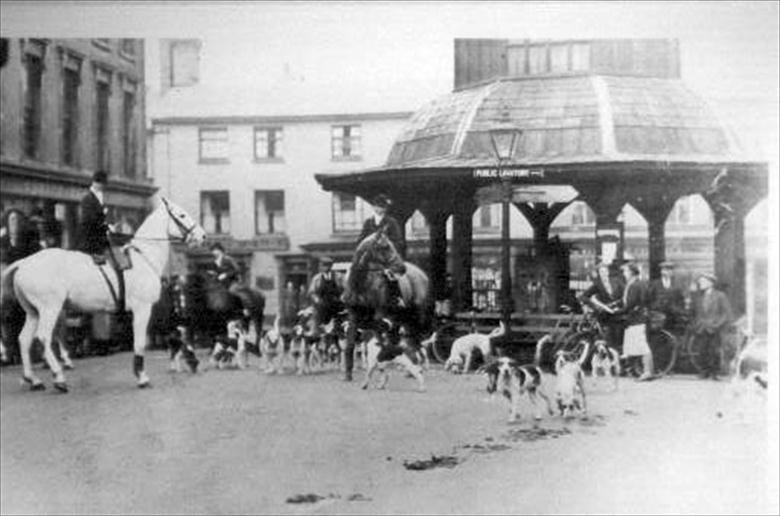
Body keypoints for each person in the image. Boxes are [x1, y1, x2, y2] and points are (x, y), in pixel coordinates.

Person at [347, 194, 406, 308]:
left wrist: (387, 246)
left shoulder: (391, 222)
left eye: (382, 207)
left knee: (390, 274)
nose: (380, 209)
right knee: (355, 268)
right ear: (374, 207)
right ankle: (351, 294)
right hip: (369, 256)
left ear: (385, 209)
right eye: (378, 206)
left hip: (385, 256)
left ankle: (396, 297)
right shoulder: (368, 222)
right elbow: (361, 239)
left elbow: (398, 240)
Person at [613, 262, 654, 381]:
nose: (624, 274)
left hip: (636, 320)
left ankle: (647, 372)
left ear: (631, 272)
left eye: (625, 271)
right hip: (635, 319)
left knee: (642, 346)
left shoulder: (635, 285)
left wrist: (617, 311)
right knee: (632, 345)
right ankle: (631, 370)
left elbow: (630, 304)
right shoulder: (635, 284)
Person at [691, 273, 733, 380]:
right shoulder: (699, 296)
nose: (700, 284)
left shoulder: (720, 295)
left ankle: (714, 372)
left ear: (710, 283)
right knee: (702, 349)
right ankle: (704, 372)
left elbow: (726, 313)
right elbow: (697, 312)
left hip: (715, 328)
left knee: (714, 350)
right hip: (702, 327)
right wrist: (698, 322)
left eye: (702, 282)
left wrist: (717, 324)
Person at [579, 261, 625, 352]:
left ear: (608, 271)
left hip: (620, 313)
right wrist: (595, 306)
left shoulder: (617, 281)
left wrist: (617, 304)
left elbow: (625, 295)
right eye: (601, 272)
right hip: (606, 315)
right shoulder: (597, 284)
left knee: (620, 336)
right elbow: (583, 296)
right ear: (599, 273)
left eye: (605, 271)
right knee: (609, 339)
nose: (603, 274)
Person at [77, 170, 113, 260]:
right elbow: (89, 220)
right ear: (97, 183)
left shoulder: (98, 197)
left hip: (99, 240)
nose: (104, 187)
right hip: (90, 241)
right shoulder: (87, 199)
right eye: (103, 184)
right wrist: (106, 226)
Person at [307, 256, 344, 337]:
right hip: (323, 305)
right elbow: (312, 292)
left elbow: (345, 289)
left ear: (329, 266)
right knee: (316, 315)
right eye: (320, 266)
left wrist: (342, 297)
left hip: (337, 304)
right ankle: (316, 332)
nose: (320, 268)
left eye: (323, 266)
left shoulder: (339, 277)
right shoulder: (317, 278)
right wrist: (317, 300)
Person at [647, 261, 687, 333]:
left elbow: (681, 302)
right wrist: (655, 308)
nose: (669, 272)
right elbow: (649, 300)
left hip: (673, 319)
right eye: (666, 270)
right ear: (661, 271)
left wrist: (677, 310)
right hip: (658, 318)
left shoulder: (677, 285)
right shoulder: (654, 284)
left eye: (670, 270)